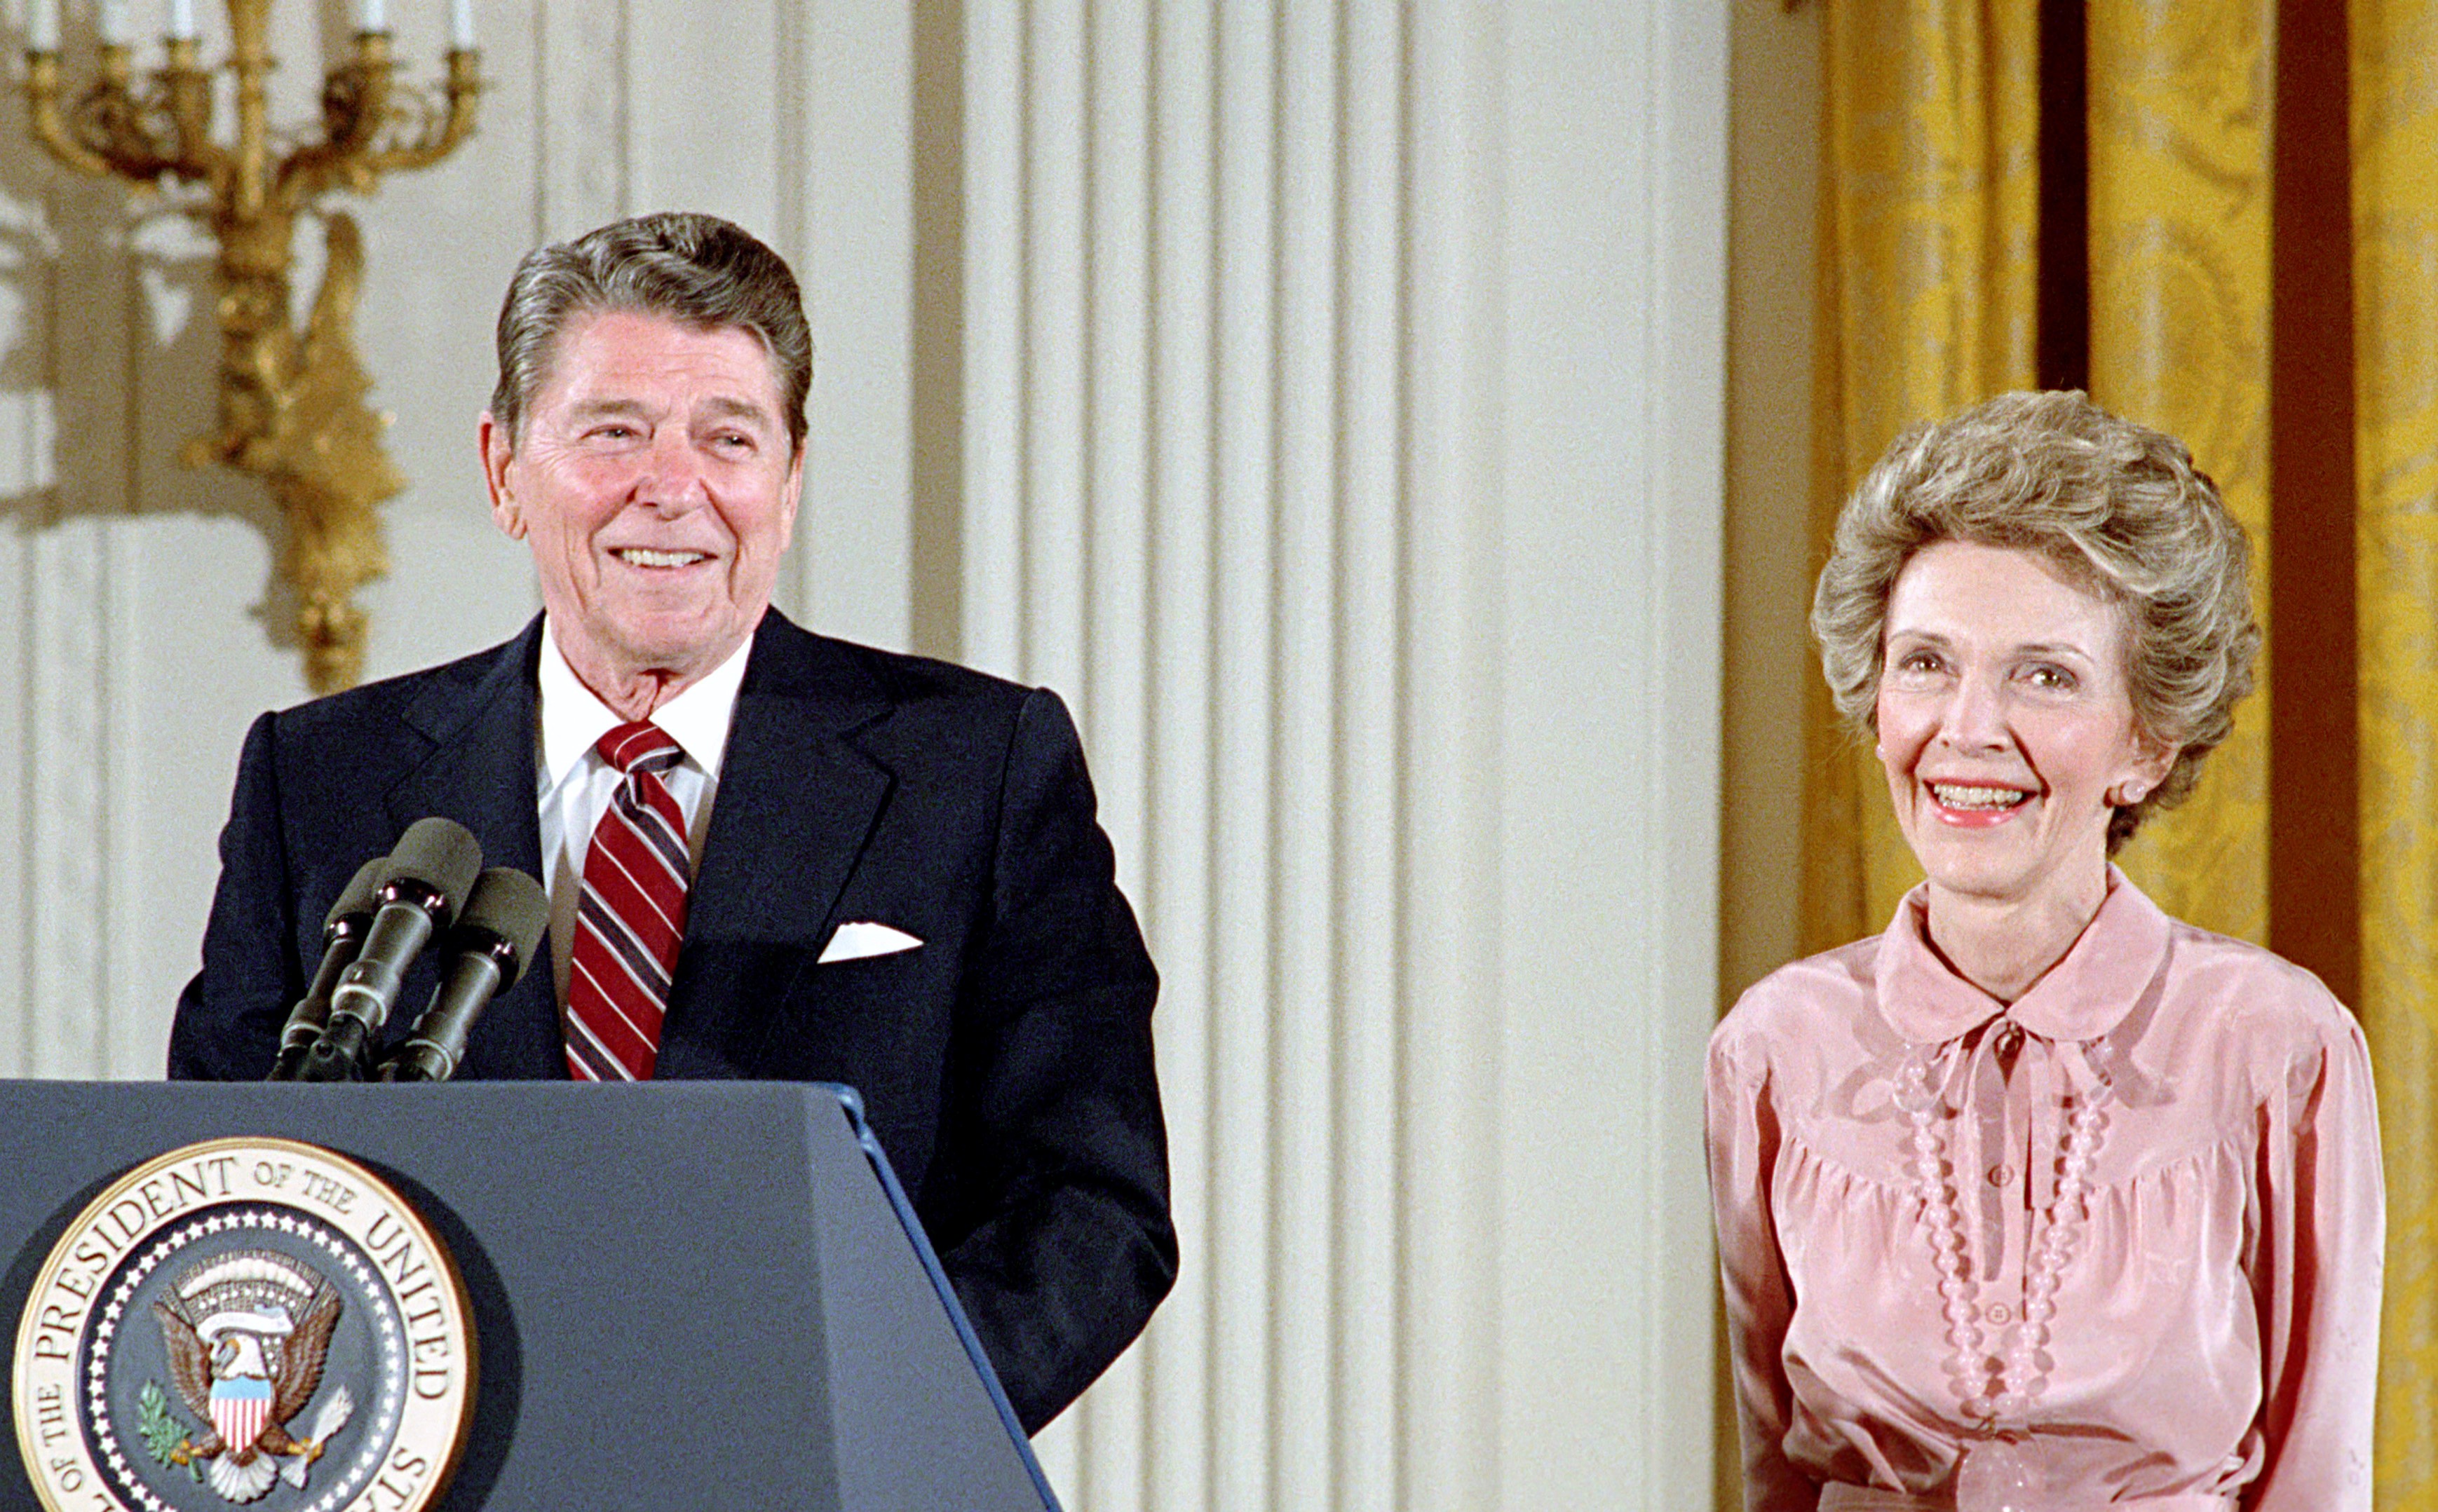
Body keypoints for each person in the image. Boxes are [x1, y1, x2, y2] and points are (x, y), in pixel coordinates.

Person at [168, 211, 1174, 1433]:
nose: (674, 488)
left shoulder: (979, 766)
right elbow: (223, 1187)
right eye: (614, 433)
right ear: (502, 469)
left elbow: (1090, 1200)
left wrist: (856, 1421)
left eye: (728, 438)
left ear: (788, 484)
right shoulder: (322, 777)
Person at [1708, 391, 2382, 1511]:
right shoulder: (1772, 1049)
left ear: (2145, 741)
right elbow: (1770, 1474)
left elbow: (2319, 1477)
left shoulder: (2279, 1045)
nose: (1966, 728)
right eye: (1925, 663)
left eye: (2045, 673)